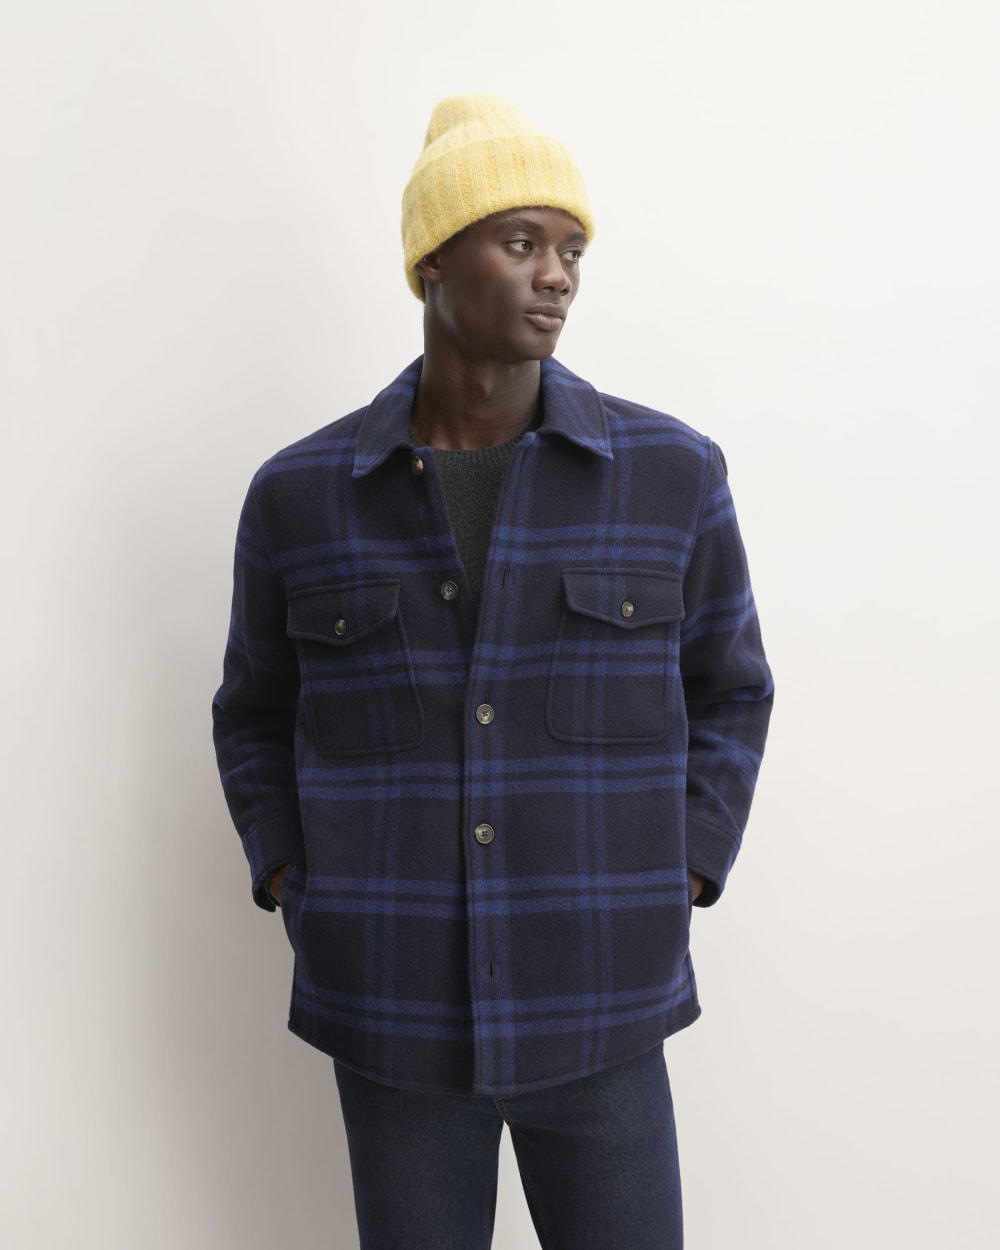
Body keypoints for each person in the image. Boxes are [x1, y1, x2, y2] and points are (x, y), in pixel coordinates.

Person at [213, 94, 773, 1250]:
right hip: (391, 1004)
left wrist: (681, 870)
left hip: (605, 995)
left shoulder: (670, 472)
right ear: (432, 260)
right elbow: (253, 712)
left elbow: (731, 685)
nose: (556, 275)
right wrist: (292, 877)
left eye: (571, 249)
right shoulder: (299, 496)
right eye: (521, 242)